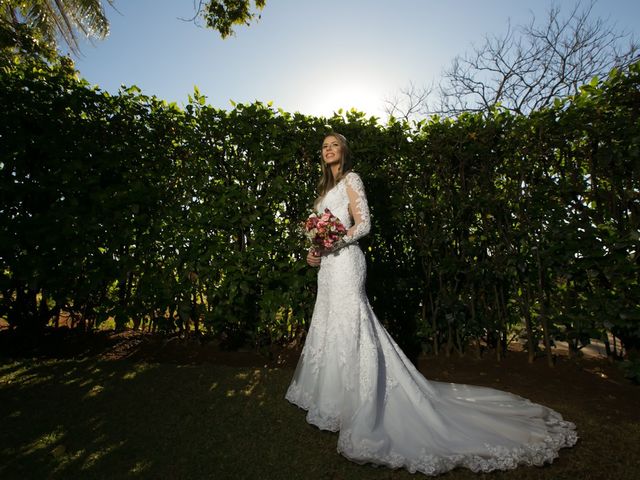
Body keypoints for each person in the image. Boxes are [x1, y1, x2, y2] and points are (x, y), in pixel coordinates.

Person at [285, 132, 577, 476]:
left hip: (348, 262)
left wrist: (335, 240)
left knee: (353, 325)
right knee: (330, 325)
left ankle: (363, 403)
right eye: (324, 146)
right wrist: (316, 250)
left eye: (334, 144)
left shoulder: (353, 179)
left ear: (344, 152)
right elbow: (321, 234)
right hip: (328, 268)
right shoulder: (323, 191)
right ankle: (331, 402)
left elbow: (364, 224)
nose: (329, 149)